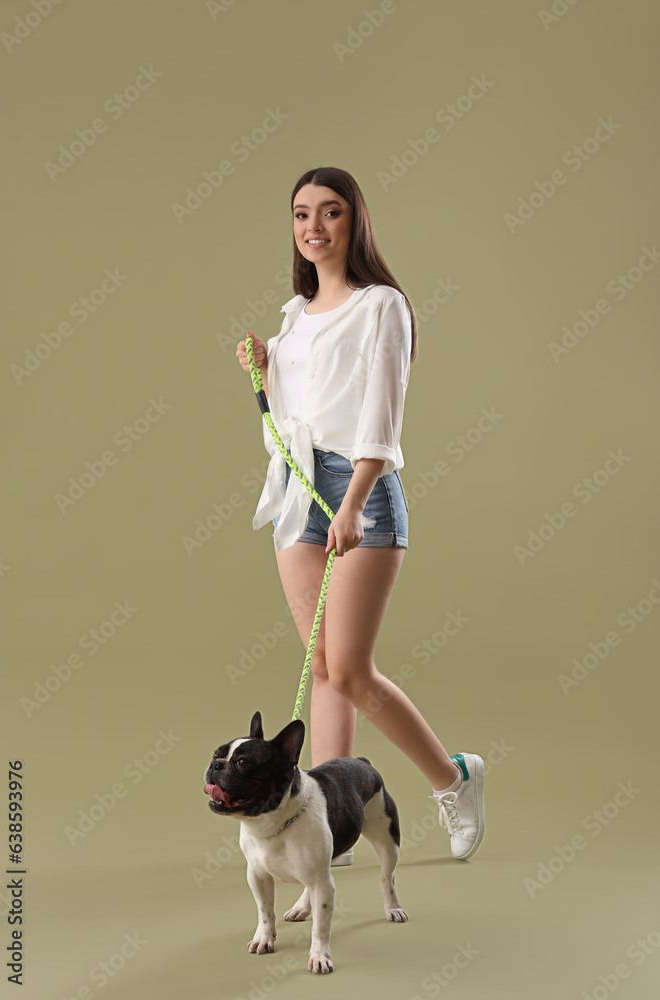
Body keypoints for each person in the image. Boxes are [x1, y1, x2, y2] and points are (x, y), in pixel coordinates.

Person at [236, 166, 484, 866]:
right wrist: (265, 369)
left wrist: (351, 504)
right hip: (297, 486)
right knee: (318, 665)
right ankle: (330, 819)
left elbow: (379, 418)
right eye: (300, 214)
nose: (313, 227)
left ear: (355, 222)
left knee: (349, 669)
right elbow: (285, 430)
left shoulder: (382, 306)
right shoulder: (293, 317)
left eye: (330, 212)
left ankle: (453, 780)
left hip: (359, 487)